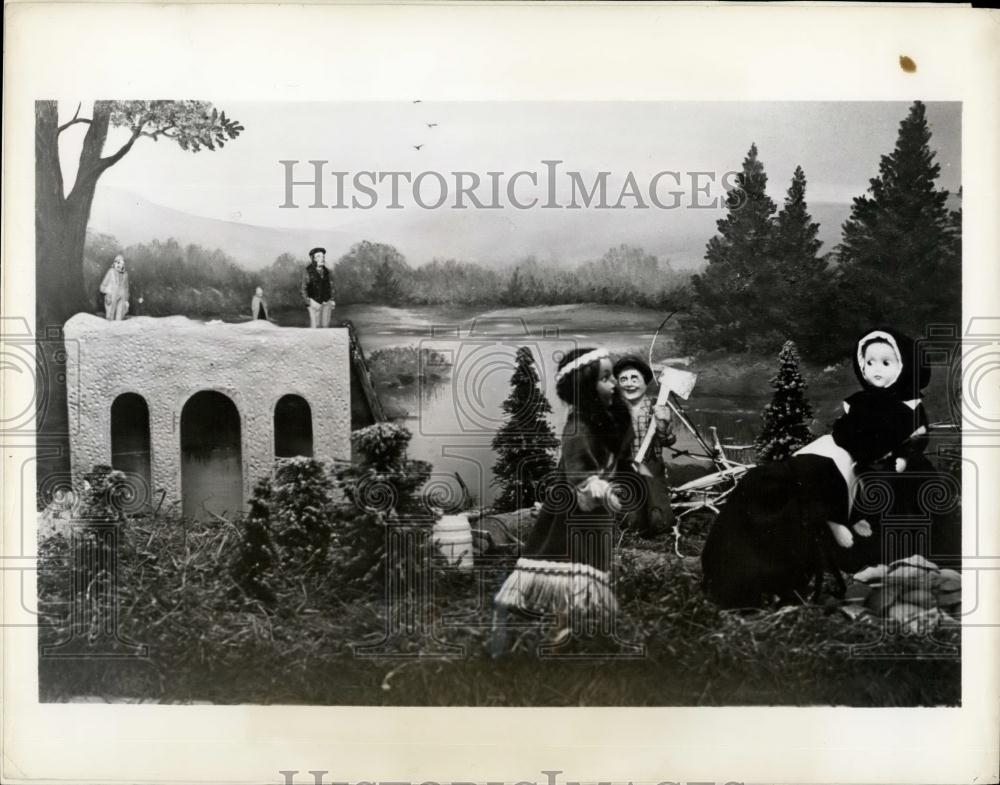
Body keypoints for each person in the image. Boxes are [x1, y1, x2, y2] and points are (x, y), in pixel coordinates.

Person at [493, 347, 635, 644]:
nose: (614, 384)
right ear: (586, 387)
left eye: (613, 376)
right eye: (605, 378)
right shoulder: (579, 424)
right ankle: (561, 628)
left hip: (595, 510)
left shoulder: (609, 418)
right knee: (571, 561)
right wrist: (596, 486)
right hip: (573, 508)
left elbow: (614, 458)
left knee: (591, 559)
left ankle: (575, 623)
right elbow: (577, 471)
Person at [827, 327, 931, 548]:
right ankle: (849, 523)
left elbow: (919, 436)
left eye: (886, 363)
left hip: (896, 461)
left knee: (894, 488)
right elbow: (844, 430)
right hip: (861, 458)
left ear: (904, 366)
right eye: (870, 362)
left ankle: (893, 541)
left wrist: (905, 455)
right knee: (844, 480)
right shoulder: (859, 401)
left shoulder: (909, 403)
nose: (876, 369)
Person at [613, 354, 676, 537]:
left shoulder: (657, 407)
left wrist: (662, 424)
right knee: (630, 522)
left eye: (634, 378)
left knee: (660, 520)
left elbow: (668, 441)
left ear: (645, 382)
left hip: (650, 465)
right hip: (625, 467)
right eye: (623, 379)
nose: (629, 383)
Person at [300, 247, 335, 328]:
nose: (322, 259)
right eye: (319, 256)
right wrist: (308, 302)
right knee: (316, 327)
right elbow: (303, 289)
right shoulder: (308, 271)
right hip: (314, 302)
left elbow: (331, 286)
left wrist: (332, 300)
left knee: (325, 326)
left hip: (327, 302)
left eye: (323, 257)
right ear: (313, 259)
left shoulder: (327, 271)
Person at [99, 254, 130, 321]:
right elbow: (103, 286)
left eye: (121, 262)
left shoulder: (125, 274)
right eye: (117, 262)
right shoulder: (111, 272)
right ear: (114, 263)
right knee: (110, 316)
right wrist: (107, 294)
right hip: (112, 295)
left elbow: (126, 287)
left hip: (122, 296)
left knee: (119, 317)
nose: (119, 265)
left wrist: (126, 300)